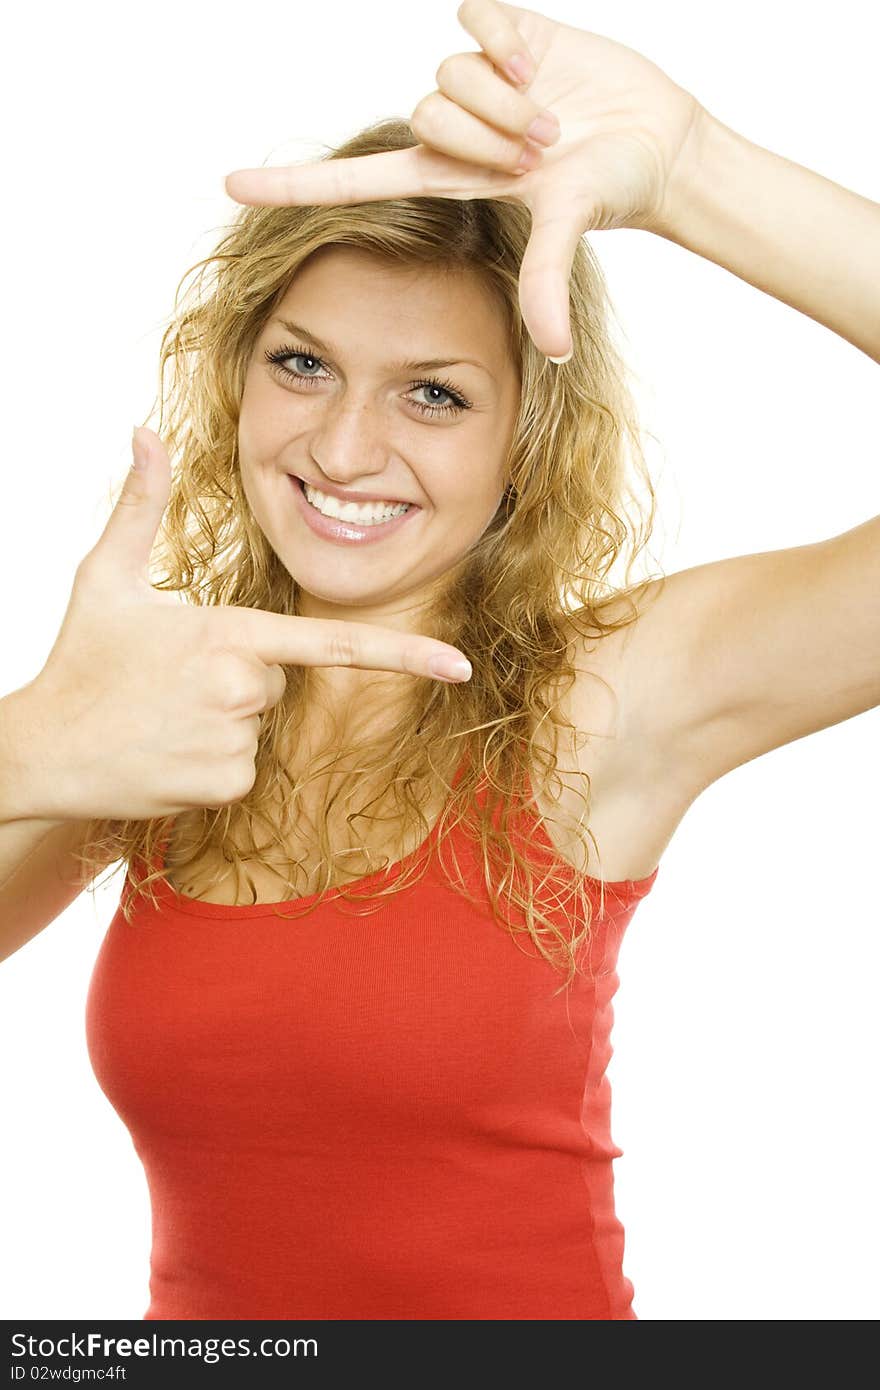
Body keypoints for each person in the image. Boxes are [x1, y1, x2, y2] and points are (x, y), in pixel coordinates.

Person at [1, 0, 877, 1320]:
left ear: (528, 439)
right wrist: (26, 743)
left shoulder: (606, 698)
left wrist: (691, 165)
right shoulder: (166, 706)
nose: (345, 449)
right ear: (237, 377)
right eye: (304, 363)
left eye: (435, 392)